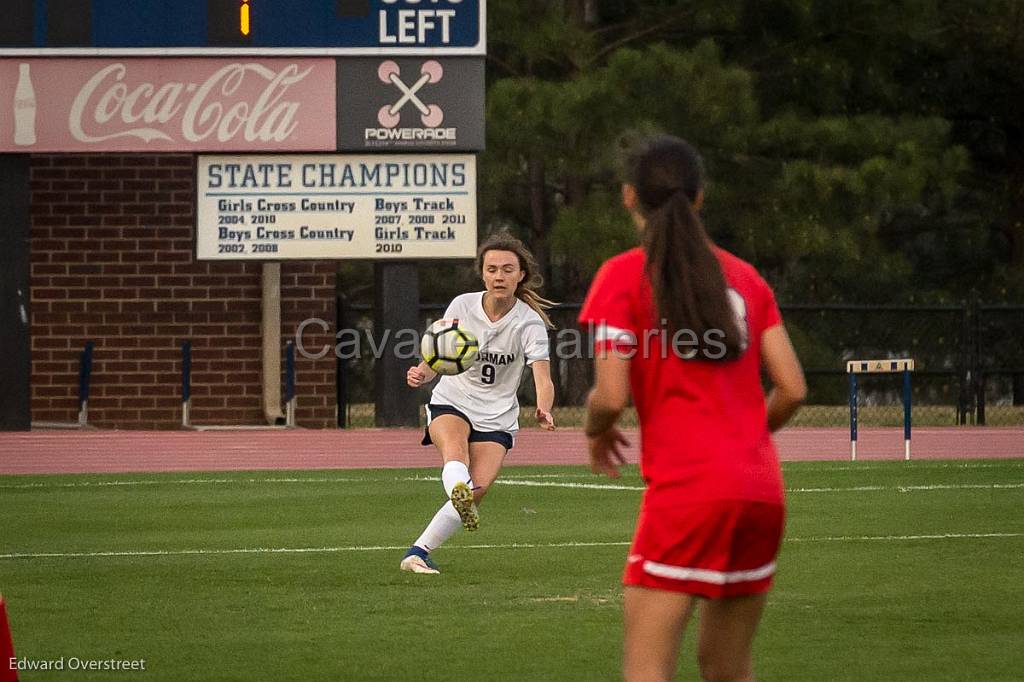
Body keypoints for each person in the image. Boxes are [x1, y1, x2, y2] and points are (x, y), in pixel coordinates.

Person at [579, 136, 806, 682]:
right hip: (760, 491)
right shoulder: (746, 278)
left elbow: (611, 397)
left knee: (647, 669)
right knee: (728, 670)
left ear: (629, 197)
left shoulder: (621, 275)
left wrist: (593, 431)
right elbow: (793, 388)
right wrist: (748, 436)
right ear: (700, 198)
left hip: (687, 494)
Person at [400, 231, 557, 575]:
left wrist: (544, 407)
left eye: (507, 269)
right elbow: (442, 350)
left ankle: (417, 553)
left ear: (521, 275)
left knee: (477, 491)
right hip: (452, 400)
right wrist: (422, 373)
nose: (499, 276)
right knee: (455, 452)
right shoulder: (461, 305)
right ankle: (458, 485)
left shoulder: (529, 323)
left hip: (497, 415)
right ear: (483, 273)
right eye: (492, 269)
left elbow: (542, 378)